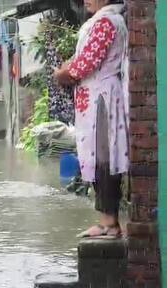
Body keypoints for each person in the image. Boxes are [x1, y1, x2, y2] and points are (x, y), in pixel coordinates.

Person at [54, 0, 128, 238]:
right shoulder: (105, 21)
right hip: (95, 97)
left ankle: (109, 221)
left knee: (103, 158)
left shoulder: (106, 23)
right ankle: (107, 221)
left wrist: (62, 73)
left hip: (101, 99)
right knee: (98, 157)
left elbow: (84, 65)